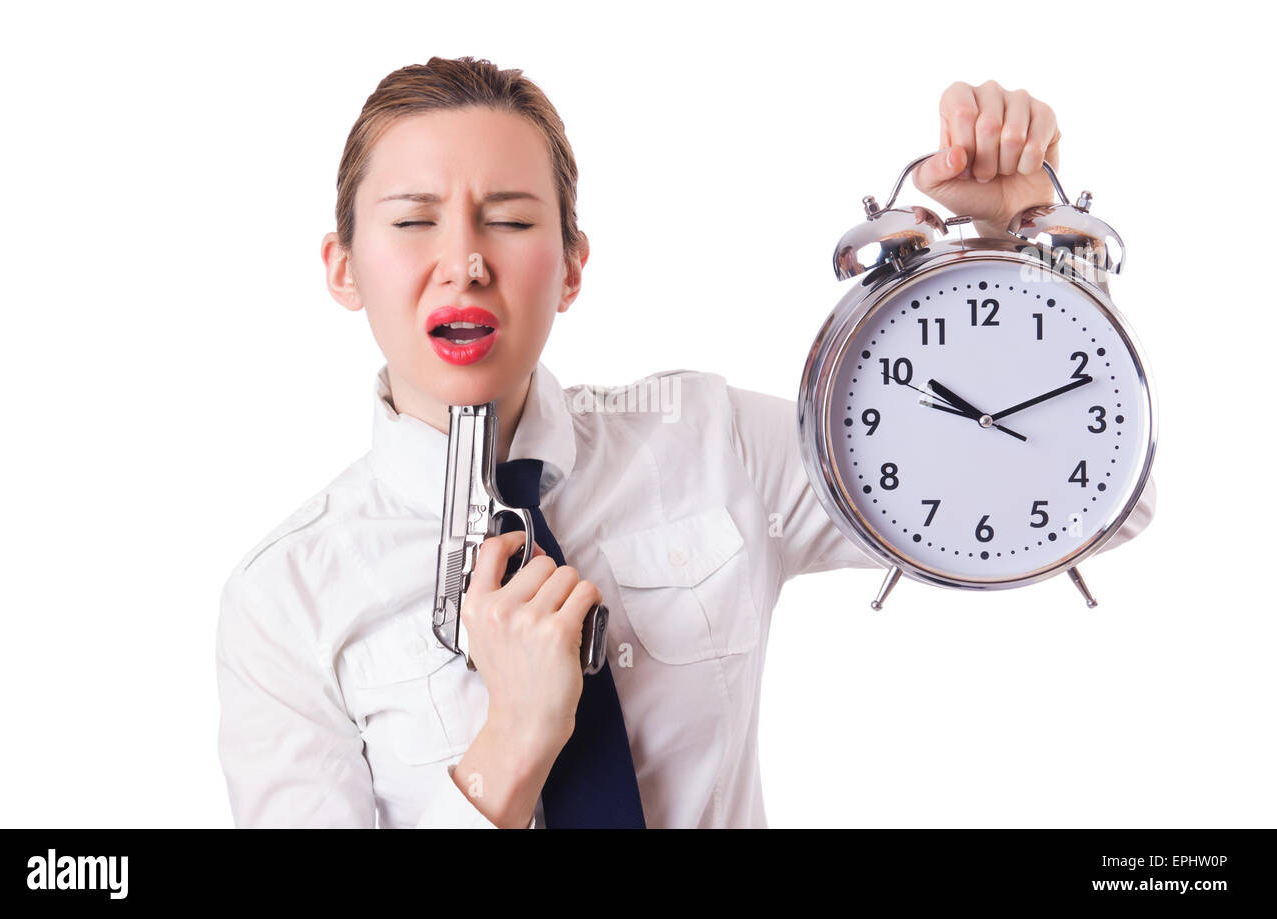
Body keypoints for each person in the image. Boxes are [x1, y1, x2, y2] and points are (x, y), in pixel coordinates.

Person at [214, 60, 1156, 828]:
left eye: (508, 219)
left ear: (573, 266)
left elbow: (1102, 504)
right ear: (342, 268)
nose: (465, 259)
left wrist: (1015, 247)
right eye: (414, 220)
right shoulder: (285, 601)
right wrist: (510, 746)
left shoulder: (711, 444)